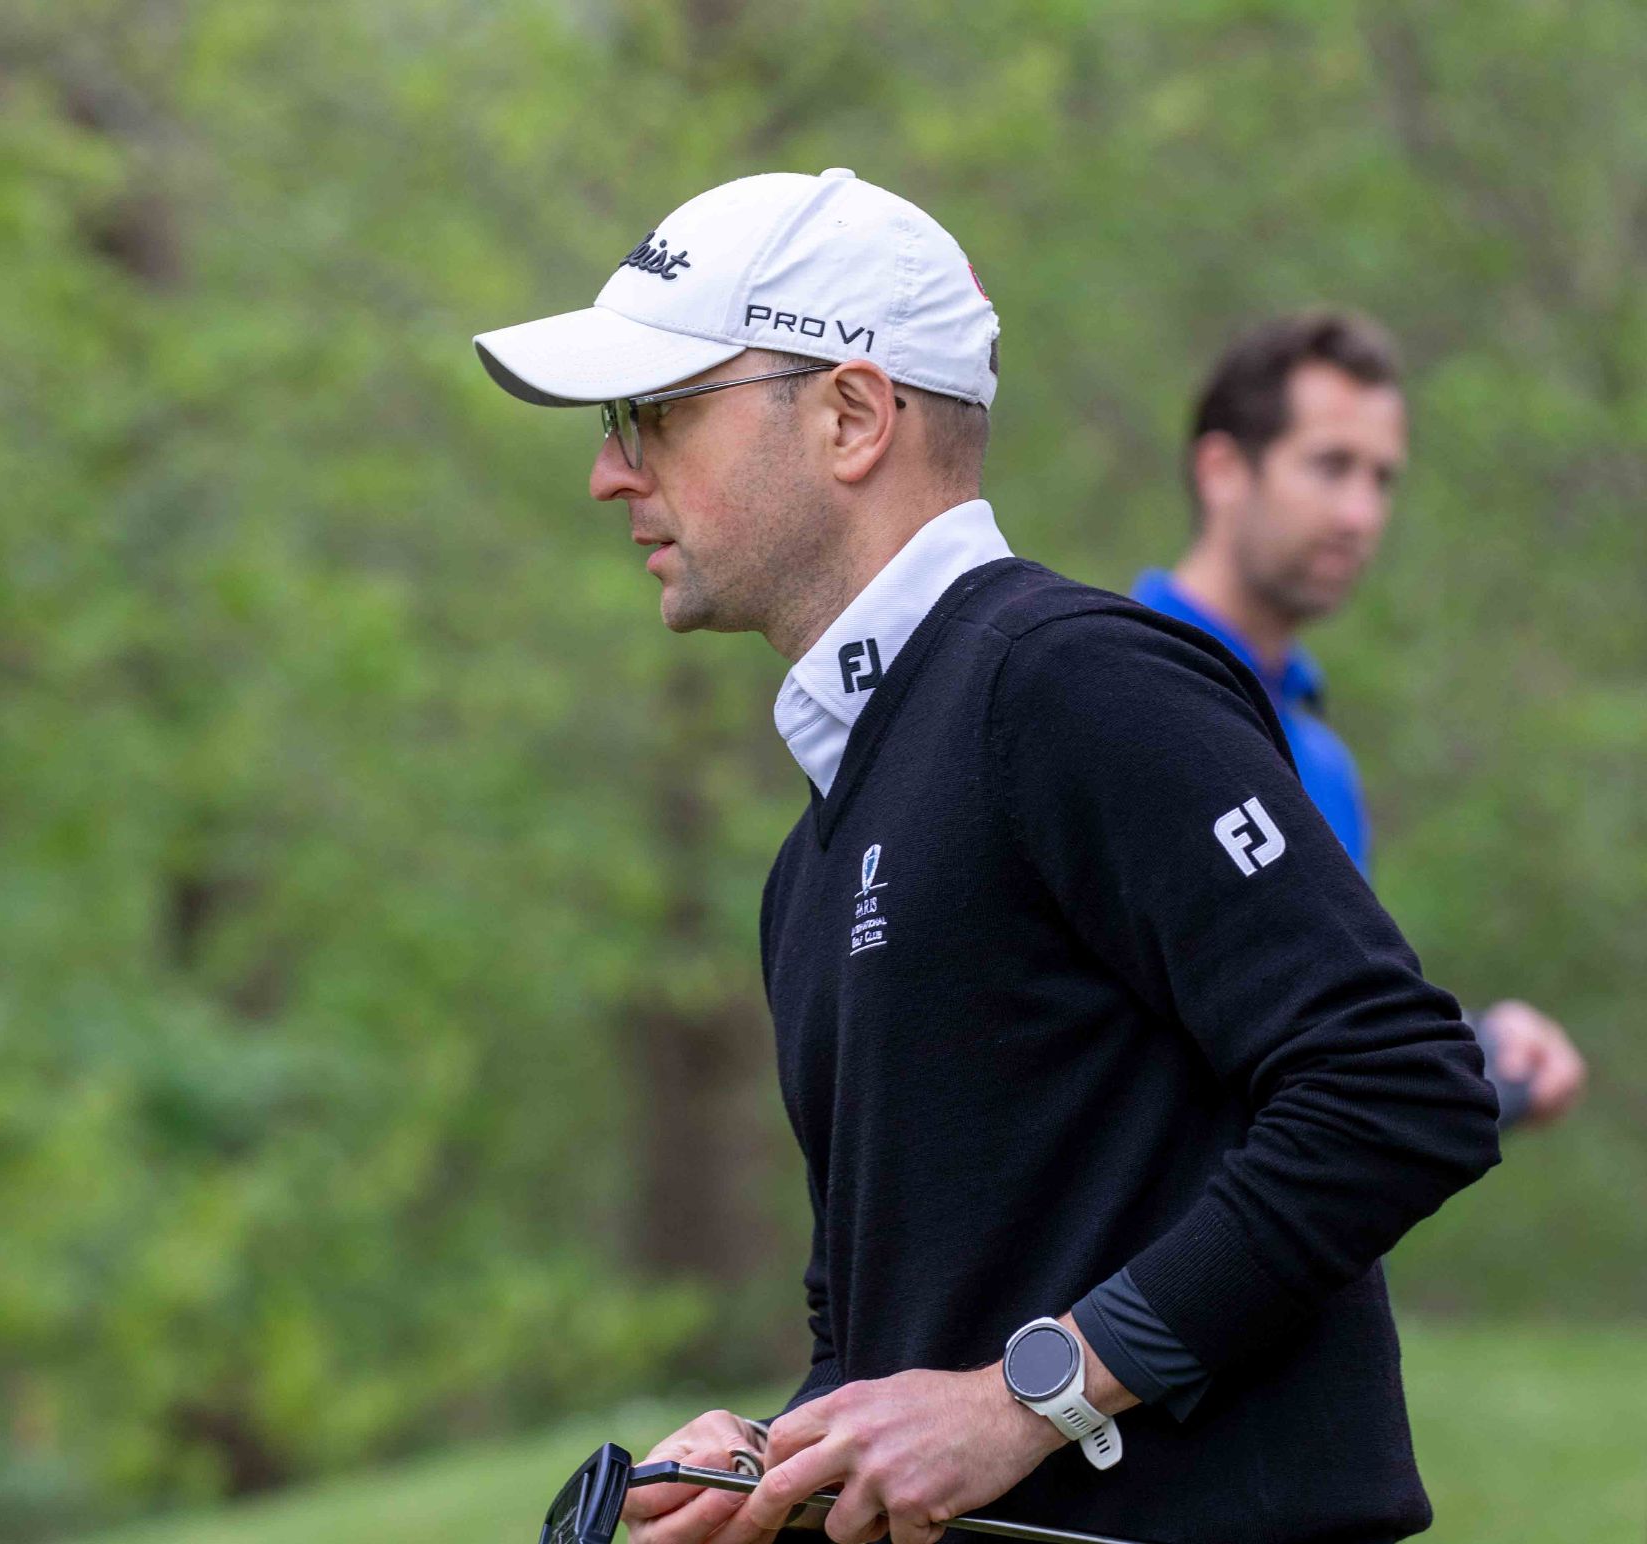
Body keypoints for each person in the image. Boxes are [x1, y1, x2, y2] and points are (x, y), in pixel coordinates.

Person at [473, 170, 1501, 1544]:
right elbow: (897, 1353)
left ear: (851, 416)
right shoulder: (812, 853)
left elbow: (1398, 1086)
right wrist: (774, 1464)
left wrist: (1034, 1396)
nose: (612, 472)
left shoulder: (1071, 686)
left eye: (653, 412)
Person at [1138, 312, 1586, 1130]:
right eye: (1331, 466)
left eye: (1382, 479)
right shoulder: (1104, 698)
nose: (1361, 514)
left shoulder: (1324, 764)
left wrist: (1480, 1049)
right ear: (1222, 470)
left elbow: (1311, 1033)